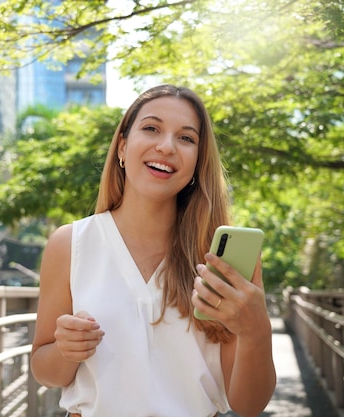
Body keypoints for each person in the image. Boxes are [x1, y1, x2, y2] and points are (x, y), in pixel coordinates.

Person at [30, 84, 276, 417]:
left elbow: (248, 405)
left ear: (196, 164)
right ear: (122, 146)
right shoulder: (69, 243)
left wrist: (257, 329)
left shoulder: (221, 259)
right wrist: (65, 350)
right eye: (151, 128)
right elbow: (45, 371)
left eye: (186, 138)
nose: (166, 146)